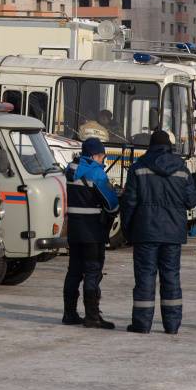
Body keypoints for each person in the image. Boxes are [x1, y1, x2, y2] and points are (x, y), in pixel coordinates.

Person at [121, 130, 196, 334]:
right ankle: (172, 325)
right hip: (173, 233)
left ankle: (142, 324)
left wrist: (127, 229)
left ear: (150, 145)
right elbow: (191, 200)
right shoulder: (181, 169)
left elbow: (129, 202)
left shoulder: (139, 167)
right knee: (171, 276)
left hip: (145, 231)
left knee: (145, 277)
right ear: (170, 146)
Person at [62, 137, 119, 330]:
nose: (103, 159)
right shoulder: (96, 173)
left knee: (73, 272)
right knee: (92, 272)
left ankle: (69, 314)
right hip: (93, 231)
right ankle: (92, 316)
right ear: (95, 155)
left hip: (74, 230)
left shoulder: (69, 171)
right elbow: (111, 204)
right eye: (102, 155)